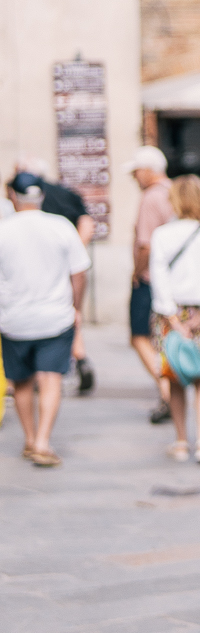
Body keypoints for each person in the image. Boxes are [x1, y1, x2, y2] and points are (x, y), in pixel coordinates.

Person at [0, 173, 91, 467]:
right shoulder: (61, 227)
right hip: (55, 317)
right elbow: (79, 272)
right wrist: (76, 306)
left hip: (13, 319)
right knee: (50, 379)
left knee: (22, 382)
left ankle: (29, 439)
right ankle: (43, 440)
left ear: (12, 196)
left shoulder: (3, 230)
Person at [149, 176, 200, 464]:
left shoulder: (162, 234)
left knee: (175, 377)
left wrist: (172, 318)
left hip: (170, 314)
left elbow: (158, 278)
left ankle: (182, 441)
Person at [16, 156, 96, 392]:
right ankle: (79, 359)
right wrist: (75, 252)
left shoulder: (23, 201)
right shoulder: (66, 193)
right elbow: (87, 224)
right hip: (65, 267)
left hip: (35, 269)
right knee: (69, 315)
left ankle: (39, 369)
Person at [126, 146, 176, 424]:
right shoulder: (176, 191)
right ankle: (170, 387)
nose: (135, 178)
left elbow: (144, 244)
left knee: (139, 336)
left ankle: (166, 389)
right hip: (173, 278)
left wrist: (136, 272)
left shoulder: (150, 197)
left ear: (148, 170)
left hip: (150, 279)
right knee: (161, 337)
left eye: (136, 172)